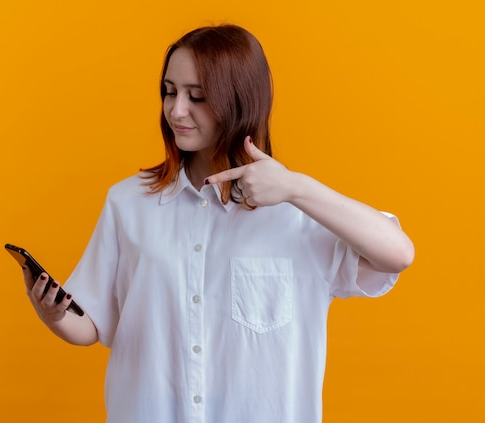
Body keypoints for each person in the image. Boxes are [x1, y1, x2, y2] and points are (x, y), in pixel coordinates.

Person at [22, 24, 414, 423]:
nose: (176, 110)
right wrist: (53, 314)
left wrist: (297, 188)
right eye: (170, 91)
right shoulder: (128, 202)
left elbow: (397, 254)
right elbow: (92, 326)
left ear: (239, 100)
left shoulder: (298, 214)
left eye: (198, 97)